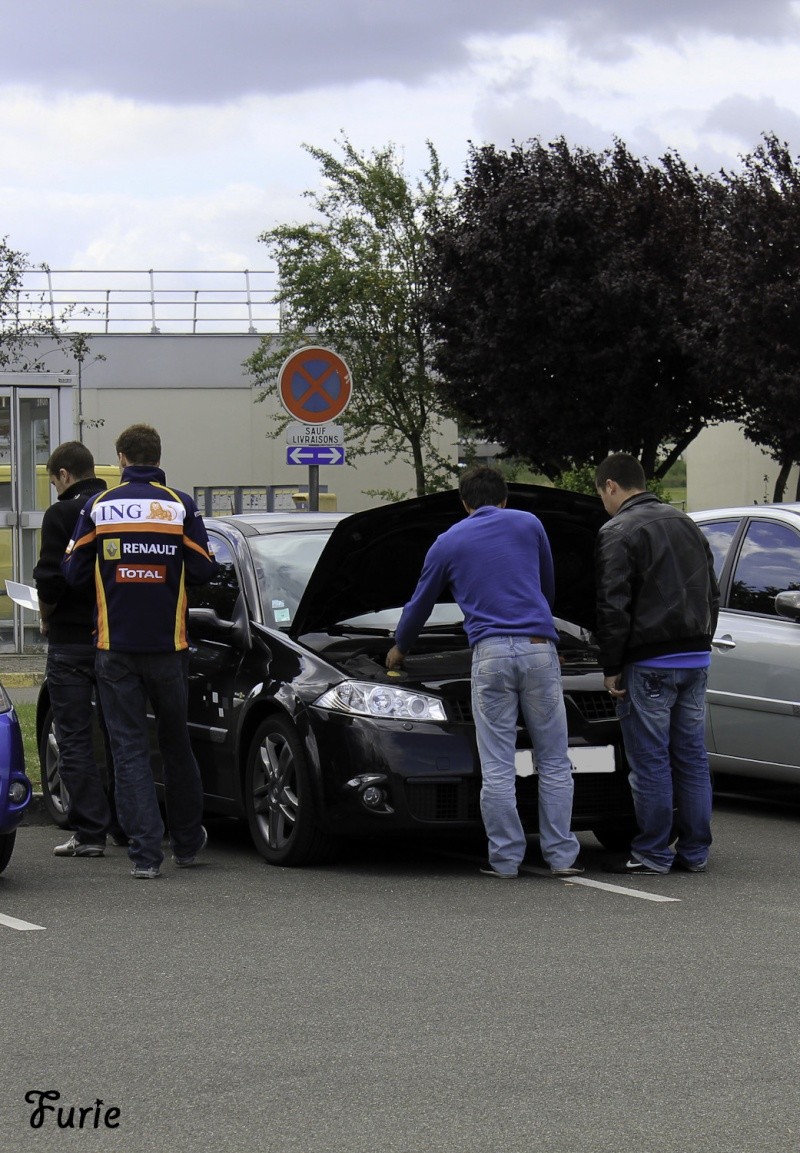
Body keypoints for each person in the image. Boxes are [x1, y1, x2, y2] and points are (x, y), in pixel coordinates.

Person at [386, 465, 582, 879]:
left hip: (490, 654)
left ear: (465, 503)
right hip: (537, 648)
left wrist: (399, 649)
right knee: (553, 761)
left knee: (497, 764)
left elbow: (419, 604)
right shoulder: (530, 524)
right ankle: (562, 856)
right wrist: (548, 636)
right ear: (505, 498)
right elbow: (546, 587)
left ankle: (506, 860)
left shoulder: (448, 541)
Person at [62, 424, 217, 879]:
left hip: (114, 647)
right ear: (157, 456)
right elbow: (205, 570)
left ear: (123, 460)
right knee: (176, 744)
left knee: (129, 749)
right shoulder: (179, 506)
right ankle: (187, 845)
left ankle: (146, 857)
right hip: (170, 647)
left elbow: (71, 571)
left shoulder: (98, 507)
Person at [594, 452, 719, 876]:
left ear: (611, 485)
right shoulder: (686, 523)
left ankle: (652, 853)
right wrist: (703, 639)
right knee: (691, 756)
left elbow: (613, 605)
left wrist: (612, 665)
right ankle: (696, 851)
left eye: (601, 495)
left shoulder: (617, 530)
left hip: (649, 661)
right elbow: (712, 591)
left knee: (650, 760)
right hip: (696, 656)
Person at [33, 441, 125, 858]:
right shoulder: (117, 506)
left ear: (65, 475)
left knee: (72, 736)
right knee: (120, 733)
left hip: (70, 640)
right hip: (114, 636)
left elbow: (51, 580)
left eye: (54, 482)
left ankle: (90, 832)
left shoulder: (62, 514)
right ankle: (128, 825)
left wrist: (46, 615)